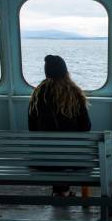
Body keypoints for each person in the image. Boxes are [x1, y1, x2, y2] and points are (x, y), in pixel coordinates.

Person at [28, 55, 91, 197]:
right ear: (65, 72)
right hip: (73, 161)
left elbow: (32, 129)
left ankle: (60, 192)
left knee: (53, 153)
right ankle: (62, 192)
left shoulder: (37, 95)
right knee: (67, 153)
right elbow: (86, 126)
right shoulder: (74, 94)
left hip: (42, 161)